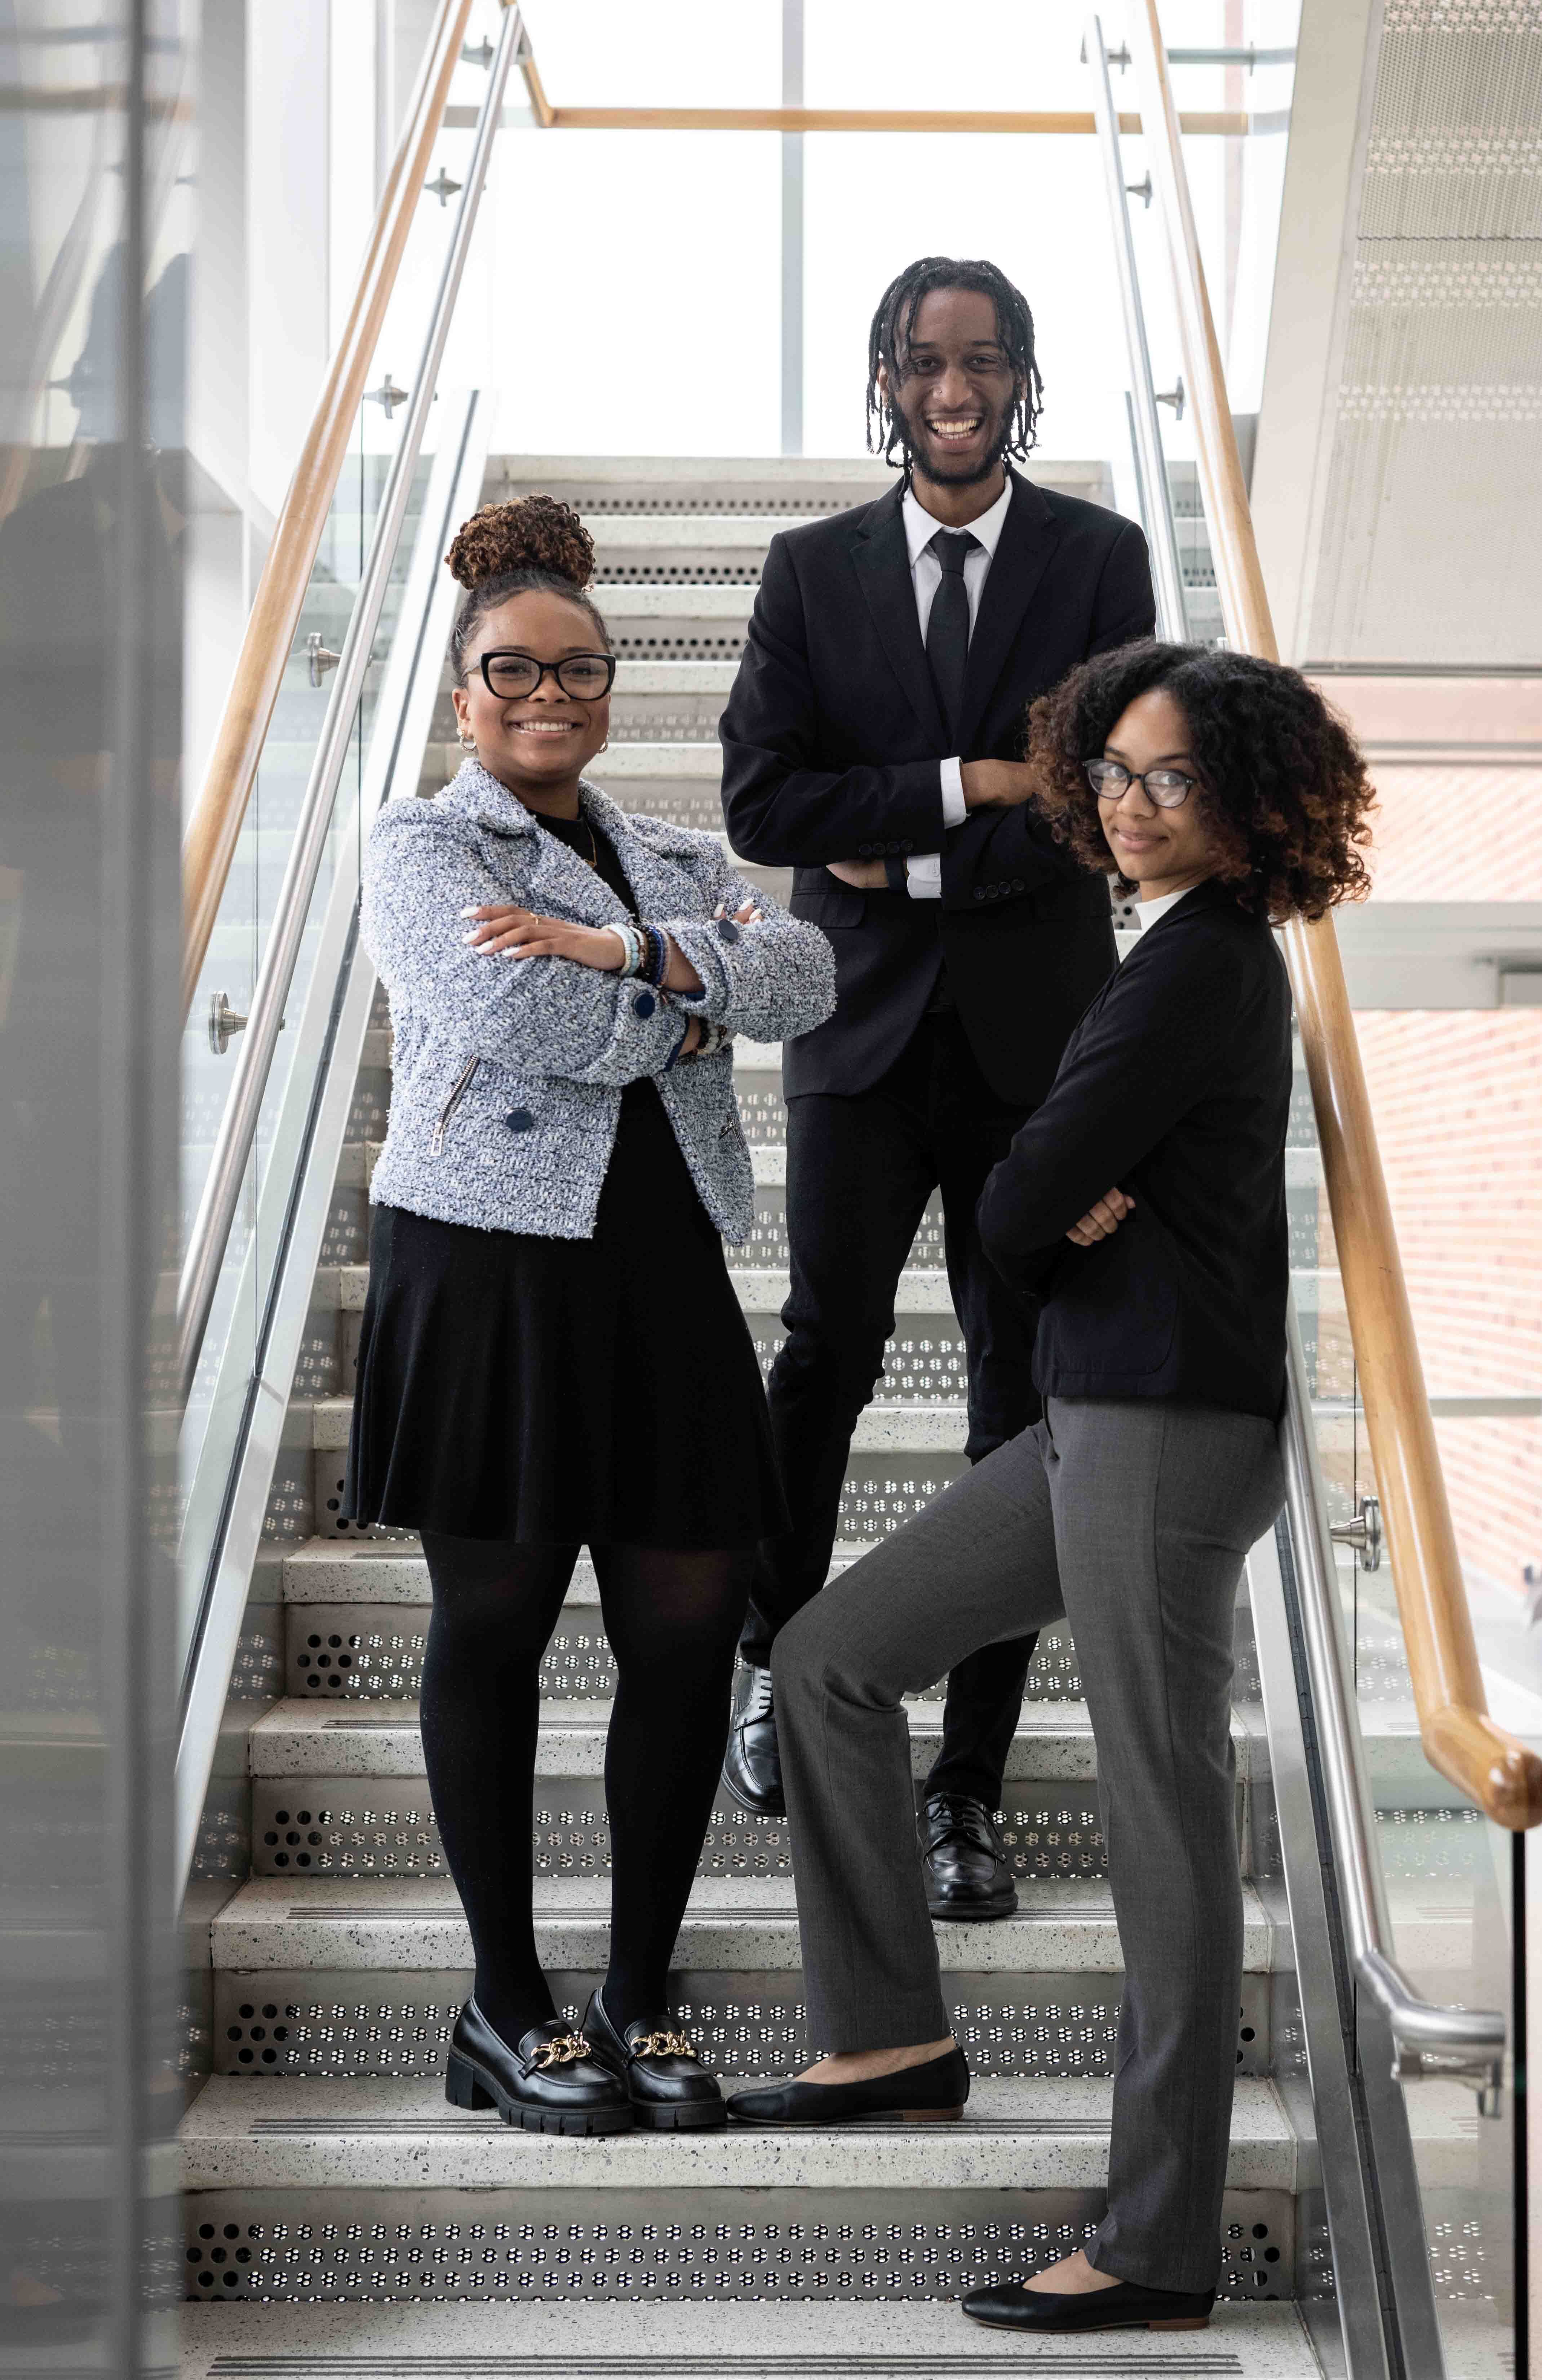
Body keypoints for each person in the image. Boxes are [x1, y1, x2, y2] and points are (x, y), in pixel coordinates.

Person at [725, 639, 1374, 2336]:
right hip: (1098, 1404)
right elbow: (1031, 1192)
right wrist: (1046, 1185)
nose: (1133, 804)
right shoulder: (1176, 956)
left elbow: (1014, 1206)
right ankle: (893, 2033)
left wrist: (1048, 1186)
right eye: (1114, 771)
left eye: (1174, 777)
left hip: (1165, 1424)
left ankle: (1159, 2238)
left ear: (1249, 800)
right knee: (831, 1657)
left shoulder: (1206, 965)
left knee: (1164, 1825)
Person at [346, 494, 834, 2138]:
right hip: (485, 1271)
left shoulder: (681, 853)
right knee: (492, 1626)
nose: (550, 695)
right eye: (514, 671)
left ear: (613, 683)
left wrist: (627, 948)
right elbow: (507, 1005)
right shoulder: (420, 843)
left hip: (662, 1276)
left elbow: (810, 980)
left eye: (582, 669)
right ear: (462, 691)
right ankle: (506, 2005)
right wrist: (684, 1006)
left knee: (687, 1635)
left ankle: (636, 1995)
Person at [717, 256, 1154, 1915]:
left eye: (982, 360)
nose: (952, 387)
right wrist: (970, 782)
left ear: (1020, 377)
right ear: (887, 376)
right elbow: (765, 801)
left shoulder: (1097, 558)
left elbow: (1104, 797)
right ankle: (776, 1662)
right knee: (820, 1353)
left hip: (1040, 1045)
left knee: (1017, 1392)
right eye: (924, 359)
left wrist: (889, 839)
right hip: (858, 1033)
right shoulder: (810, 569)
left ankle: (964, 1787)